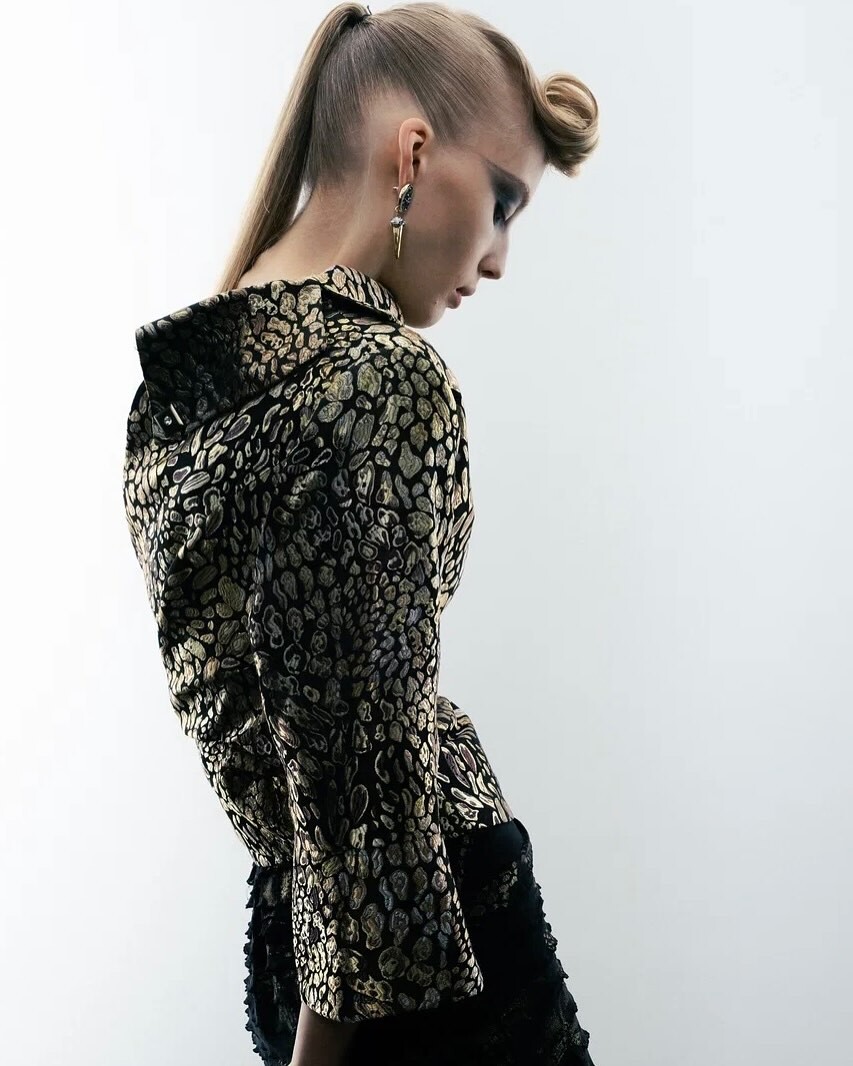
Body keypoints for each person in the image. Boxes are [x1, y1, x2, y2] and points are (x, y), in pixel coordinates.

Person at [122, 3, 600, 1063]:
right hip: (422, 966)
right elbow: (365, 784)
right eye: (503, 200)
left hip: (291, 942)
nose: (498, 258)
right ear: (413, 155)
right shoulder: (381, 378)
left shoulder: (176, 399)